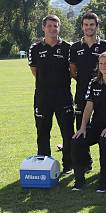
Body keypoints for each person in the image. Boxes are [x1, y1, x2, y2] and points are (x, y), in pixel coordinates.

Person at [71, 51, 106, 192]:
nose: (103, 66)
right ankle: (79, 181)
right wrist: (83, 127)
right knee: (77, 140)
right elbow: (88, 107)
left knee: (105, 140)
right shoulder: (93, 82)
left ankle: (104, 182)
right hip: (96, 126)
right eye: (101, 63)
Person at [28, 15, 75, 173]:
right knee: (42, 131)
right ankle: (44, 164)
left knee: (67, 131)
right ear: (43, 28)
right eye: (50, 26)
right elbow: (35, 72)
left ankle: (69, 164)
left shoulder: (68, 47)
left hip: (63, 96)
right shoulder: (35, 48)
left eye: (56, 26)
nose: (53, 29)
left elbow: (72, 71)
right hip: (43, 97)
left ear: (59, 28)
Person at [69, 12, 106, 169]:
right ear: (82, 26)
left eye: (92, 24)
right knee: (81, 125)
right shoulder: (74, 47)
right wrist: (83, 82)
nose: (89, 27)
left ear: (96, 26)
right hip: (81, 92)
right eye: (86, 25)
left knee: (103, 124)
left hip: (102, 93)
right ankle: (85, 162)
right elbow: (72, 70)